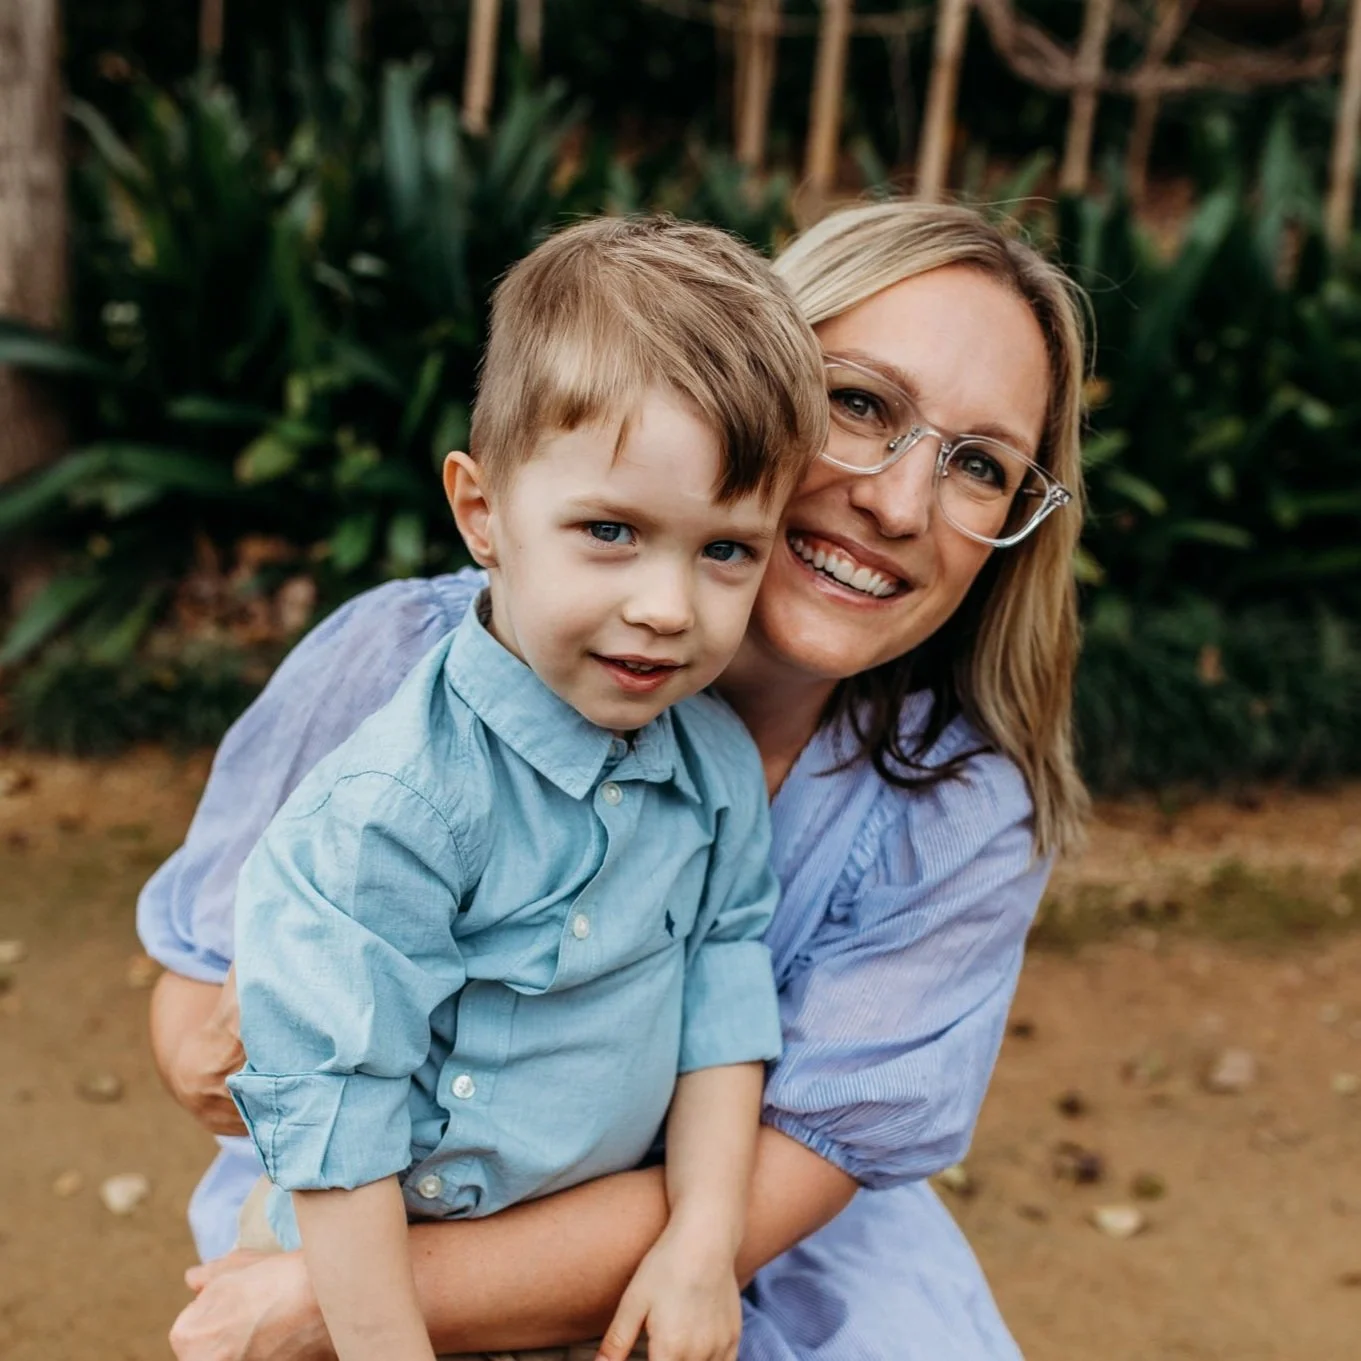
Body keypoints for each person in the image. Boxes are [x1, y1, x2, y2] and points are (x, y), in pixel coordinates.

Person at [143, 198, 1090, 1361]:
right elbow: (207, 1002)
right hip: (373, 1195)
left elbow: (760, 1189)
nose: (898, 502)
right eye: (858, 404)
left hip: (752, 1240)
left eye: (978, 465)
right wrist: (252, 1037)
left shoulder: (945, 810)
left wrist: (328, 1303)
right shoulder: (404, 680)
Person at [224, 213, 827, 1361]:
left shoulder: (712, 770)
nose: (667, 604)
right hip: (361, 1285)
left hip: (572, 1290)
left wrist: (701, 1241)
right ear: (482, 511)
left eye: (725, 550)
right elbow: (339, 1124)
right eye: (612, 529)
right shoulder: (394, 810)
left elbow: (720, 994)